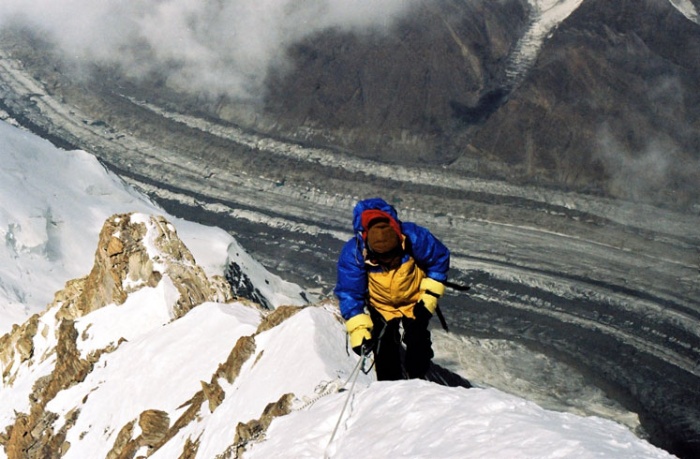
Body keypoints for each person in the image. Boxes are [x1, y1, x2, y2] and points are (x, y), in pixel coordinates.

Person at [334, 197, 450, 381]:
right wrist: (359, 329)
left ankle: (418, 383)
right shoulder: (354, 253)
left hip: (415, 300)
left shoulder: (413, 237)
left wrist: (429, 298)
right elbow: (350, 293)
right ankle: (389, 394)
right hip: (381, 306)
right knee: (385, 354)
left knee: (418, 346)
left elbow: (438, 260)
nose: (388, 263)